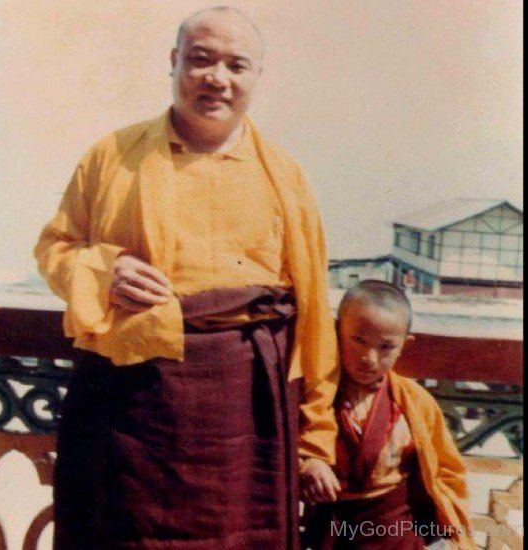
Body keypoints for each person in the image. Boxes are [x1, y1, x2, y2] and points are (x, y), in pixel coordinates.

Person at [34, 6, 338, 550]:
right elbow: (55, 247)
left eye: (236, 65)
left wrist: (317, 434)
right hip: (131, 403)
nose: (217, 78)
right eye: (200, 60)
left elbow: (313, 313)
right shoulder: (112, 158)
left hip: (244, 406)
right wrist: (104, 271)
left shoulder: (284, 176)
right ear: (175, 62)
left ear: (255, 78)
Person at [299, 280, 474, 549]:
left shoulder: (415, 401)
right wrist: (309, 462)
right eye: (358, 340)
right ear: (336, 331)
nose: (369, 358)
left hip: (397, 528)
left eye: (385, 347)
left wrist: (450, 524)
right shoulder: (316, 395)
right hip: (332, 529)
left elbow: (446, 469)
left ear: (405, 344)